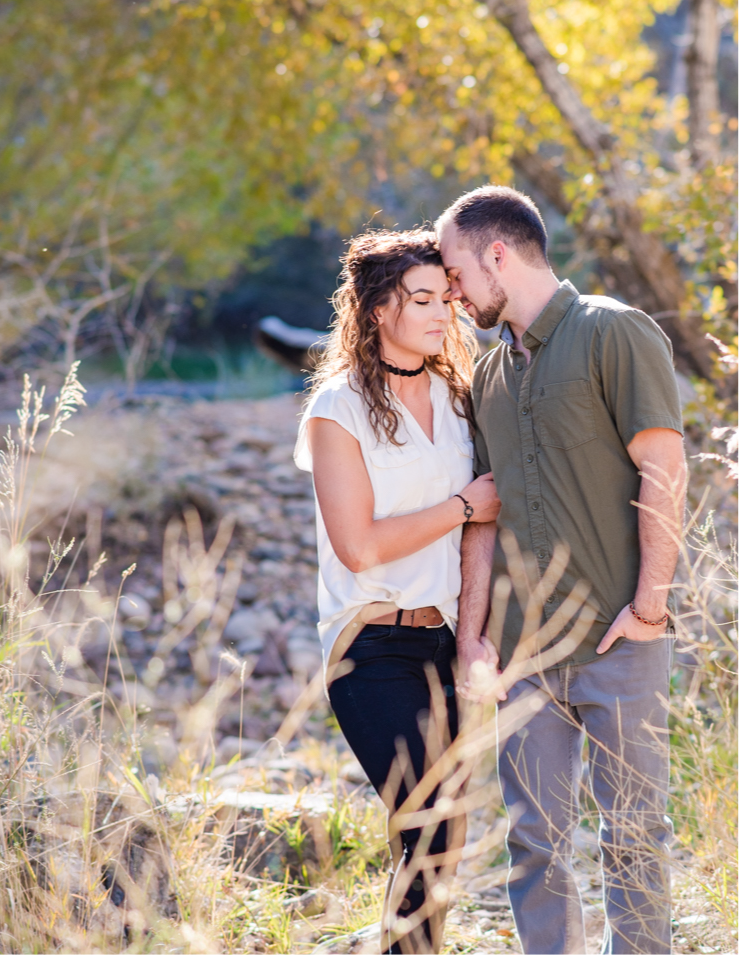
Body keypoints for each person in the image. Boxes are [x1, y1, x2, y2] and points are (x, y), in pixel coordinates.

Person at [438, 186, 686, 955]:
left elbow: (664, 470)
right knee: (533, 843)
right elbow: (486, 516)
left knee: (634, 834)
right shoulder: (487, 378)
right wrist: (472, 638)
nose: (452, 290)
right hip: (525, 657)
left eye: (455, 271)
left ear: (498, 255)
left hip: (619, 641)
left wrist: (649, 609)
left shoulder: (614, 332)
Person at [294, 229, 501, 954]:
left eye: (446, 298)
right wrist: (464, 506)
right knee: (429, 820)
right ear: (379, 309)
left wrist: (473, 633)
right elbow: (360, 546)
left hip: (443, 641)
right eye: (422, 300)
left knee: (441, 835)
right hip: (370, 644)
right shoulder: (338, 408)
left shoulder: (457, 394)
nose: (442, 313)